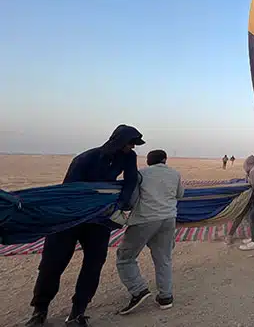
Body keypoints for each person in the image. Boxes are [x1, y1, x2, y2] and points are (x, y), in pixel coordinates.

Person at [25, 125, 144, 327]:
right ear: (119, 141)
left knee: (93, 265)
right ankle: (39, 310)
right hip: (69, 217)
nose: (133, 147)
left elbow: (131, 180)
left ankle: (77, 313)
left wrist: (120, 204)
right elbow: (71, 191)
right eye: (131, 143)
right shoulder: (85, 159)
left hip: (99, 219)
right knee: (52, 264)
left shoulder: (128, 157)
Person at [115, 150, 184, 315]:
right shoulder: (175, 174)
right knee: (163, 259)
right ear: (165, 160)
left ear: (148, 161)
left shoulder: (141, 174)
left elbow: (132, 198)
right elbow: (179, 194)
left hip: (144, 219)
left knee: (125, 258)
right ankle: (166, 297)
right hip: (168, 219)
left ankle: (138, 290)